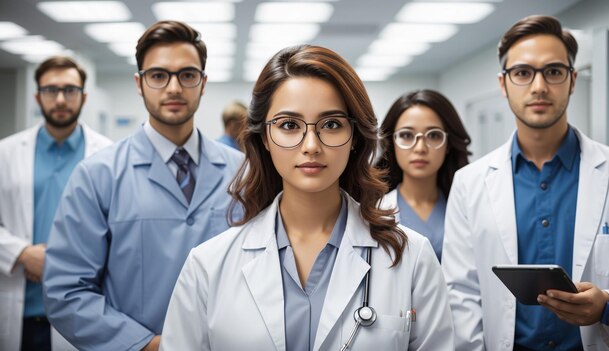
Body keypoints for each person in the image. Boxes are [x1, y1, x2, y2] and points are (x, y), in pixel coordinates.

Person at [160, 44, 454, 351]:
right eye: (289, 125)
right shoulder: (208, 265)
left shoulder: (412, 258)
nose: (311, 145)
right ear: (265, 138)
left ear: (354, 136)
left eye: (331, 125)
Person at [42, 21, 243, 351]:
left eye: (187, 75)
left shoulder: (243, 173)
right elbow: (66, 291)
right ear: (139, 82)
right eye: (159, 75)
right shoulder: (97, 175)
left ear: (203, 83)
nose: (174, 87)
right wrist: (146, 345)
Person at [442, 15, 609, 351]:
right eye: (523, 73)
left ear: (572, 80)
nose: (539, 86)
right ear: (503, 83)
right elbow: (461, 295)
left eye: (553, 72)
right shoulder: (469, 183)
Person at [0, 56, 111, 351]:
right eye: (51, 90)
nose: (60, 99)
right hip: (22, 313)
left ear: (84, 97)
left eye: (70, 90)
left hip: (84, 315)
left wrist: (57, 262)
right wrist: (22, 253)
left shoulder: (109, 155)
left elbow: (117, 230)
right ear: (37, 96)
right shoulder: (6, 152)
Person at [377, 89, 471, 262]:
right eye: (406, 135)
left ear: (448, 144)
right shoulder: (375, 212)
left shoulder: (467, 206)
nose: (420, 148)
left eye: (434, 135)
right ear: (391, 142)